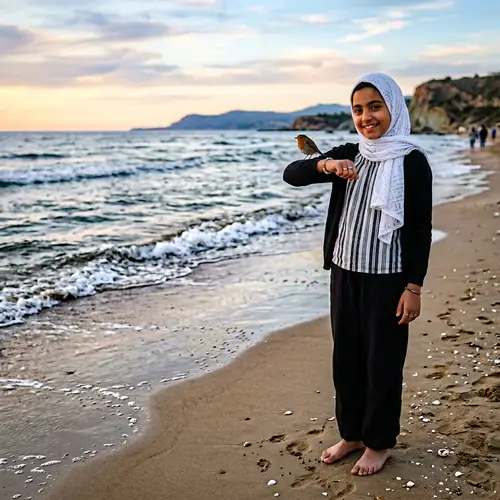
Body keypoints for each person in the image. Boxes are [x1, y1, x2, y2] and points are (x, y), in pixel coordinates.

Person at [283, 73, 432, 476]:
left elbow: (420, 229)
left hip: (388, 279)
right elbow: (292, 174)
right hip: (344, 273)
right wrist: (326, 164)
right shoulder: (351, 151)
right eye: (358, 109)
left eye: (375, 107)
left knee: (382, 362)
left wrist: (413, 287)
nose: (366, 117)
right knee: (345, 360)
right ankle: (351, 434)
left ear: (394, 109)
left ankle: (379, 442)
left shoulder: (412, 161)